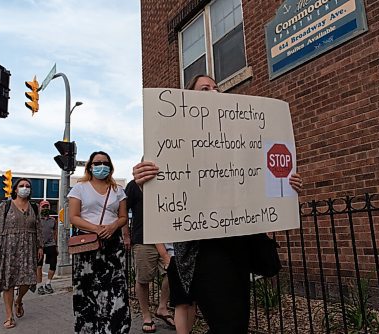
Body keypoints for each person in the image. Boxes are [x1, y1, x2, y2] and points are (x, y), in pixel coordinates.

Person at [133, 74, 304, 334]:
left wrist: (286, 185)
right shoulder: (171, 141)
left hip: (239, 242)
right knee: (227, 322)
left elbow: (261, 181)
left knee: (236, 321)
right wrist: (144, 179)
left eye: (216, 87)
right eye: (204, 88)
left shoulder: (240, 142)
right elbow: (163, 189)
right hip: (203, 248)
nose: (213, 91)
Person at [68, 151, 131, 334]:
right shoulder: (79, 188)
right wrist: (96, 229)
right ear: (90, 166)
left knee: (115, 287)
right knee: (88, 288)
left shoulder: (118, 190)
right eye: (97, 163)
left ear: (110, 167)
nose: (101, 165)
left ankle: (115, 328)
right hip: (87, 244)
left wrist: (112, 227)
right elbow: (73, 217)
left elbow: (123, 217)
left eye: (105, 163)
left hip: (113, 244)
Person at [0, 178, 43, 329]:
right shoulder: (4, 206)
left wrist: (40, 246)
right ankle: (9, 316)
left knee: (28, 279)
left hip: (29, 248)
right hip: (8, 248)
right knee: (9, 281)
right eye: (21, 186)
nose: (25, 188)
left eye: (27, 186)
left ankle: (18, 300)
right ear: (15, 189)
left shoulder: (34, 207)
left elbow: (38, 228)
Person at [125, 179, 175, 333]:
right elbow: (123, 211)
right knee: (143, 279)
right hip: (143, 239)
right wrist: (126, 235)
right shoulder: (133, 185)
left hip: (167, 237)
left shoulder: (167, 181)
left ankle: (162, 307)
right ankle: (146, 316)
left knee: (173, 272)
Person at [35, 200, 58, 295]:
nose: (45, 208)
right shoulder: (37, 220)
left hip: (51, 244)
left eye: (47, 207)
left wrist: (56, 245)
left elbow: (55, 233)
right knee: (39, 266)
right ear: (40, 208)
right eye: (43, 207)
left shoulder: (53, 220)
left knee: (53, 264)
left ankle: (48, 283)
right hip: (39, 246)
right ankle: (39, 285)